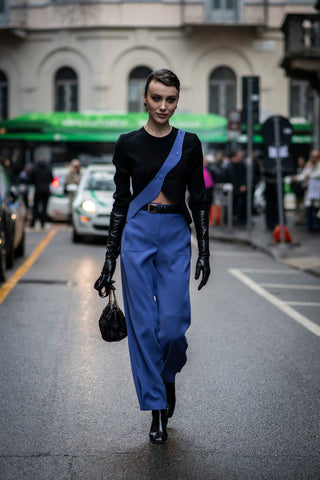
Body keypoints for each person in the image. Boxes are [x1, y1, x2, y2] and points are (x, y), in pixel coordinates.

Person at [94, 69, 211, 444]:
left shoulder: (189, 143)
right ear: (144, 98)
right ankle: (157, 410)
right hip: (137, 234)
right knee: (144, 328)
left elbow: (200, 199)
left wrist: (204, 250)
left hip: (176, 233)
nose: (163, 106)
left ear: (178, 101)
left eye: (171, 99)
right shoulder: (127, 144)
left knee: (173, 328)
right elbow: (120, 202)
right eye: (157, 98)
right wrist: (109, 259)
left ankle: (167, 376)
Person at [294, 150, 320, 232]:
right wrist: (296, 178)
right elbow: (303, 175)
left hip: (318, 192)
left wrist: (310, 174)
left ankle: (318, 226)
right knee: (309, 209)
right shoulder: (309, 166)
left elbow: (316, 175)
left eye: (315, 157)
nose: (314, 159)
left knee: (317, 210)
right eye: (312, 157)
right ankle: (310, 226)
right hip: (310, 192)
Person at [29, 157, 53, 228]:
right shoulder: (48, 170)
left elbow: (31, 179)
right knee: (44, 208)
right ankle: (43, 223)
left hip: (38, 190)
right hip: (46, 191)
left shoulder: (35, 170)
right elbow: (51, 179)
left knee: (35, 207)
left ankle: (33, 222)